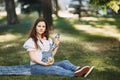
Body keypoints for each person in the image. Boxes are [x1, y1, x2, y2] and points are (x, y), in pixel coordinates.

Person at [23, 18, 94, 77]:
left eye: (43, 26)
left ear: (45, 28)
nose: (41, 28)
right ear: (35, 27)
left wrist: (56, 45)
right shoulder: (31, 41)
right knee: (55, 68)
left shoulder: (47, 40)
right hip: (36, 67)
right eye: (39, 26)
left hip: (46, 64)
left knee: (64, 62)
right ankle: (76, 74)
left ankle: (77, 69)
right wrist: (45, 64)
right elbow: (33, 58)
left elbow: (50, 55)